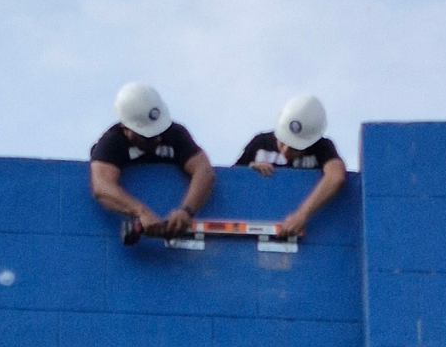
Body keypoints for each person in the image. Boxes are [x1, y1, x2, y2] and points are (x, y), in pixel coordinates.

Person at [90, 83, 215, 238]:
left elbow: (204, 171)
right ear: (126, 128)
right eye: (147, 136)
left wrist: (186, 211)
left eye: (159, 132)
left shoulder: (175, 134)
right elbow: (102, 186)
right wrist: (140, 212)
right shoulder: (112, 143)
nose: (157, 139)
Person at [235, 95, 347, 236]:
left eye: (295, 147)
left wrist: (301, 215)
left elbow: (336, 176)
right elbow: (233, 179)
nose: (286, 151)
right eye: (282, 141)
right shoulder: (260, 144)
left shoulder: (322, 147)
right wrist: (250, 169)